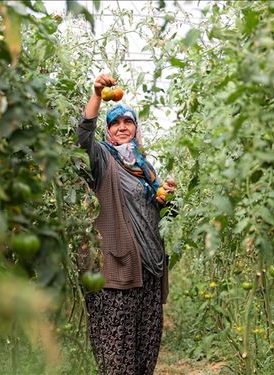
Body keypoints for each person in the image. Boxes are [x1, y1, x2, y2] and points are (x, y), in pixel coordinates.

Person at [76, 73, 177, 375]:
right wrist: (96, 94)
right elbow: (82, 138)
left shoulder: (145, 167)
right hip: (116, 268)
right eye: (115, 123)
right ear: (108, 131)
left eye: (128, 122)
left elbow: (156, 212)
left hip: (149, 269)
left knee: (145, 348)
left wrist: (165, 200)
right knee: (116, 351)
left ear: (135, 128)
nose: (122, 128)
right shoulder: (102, 159)